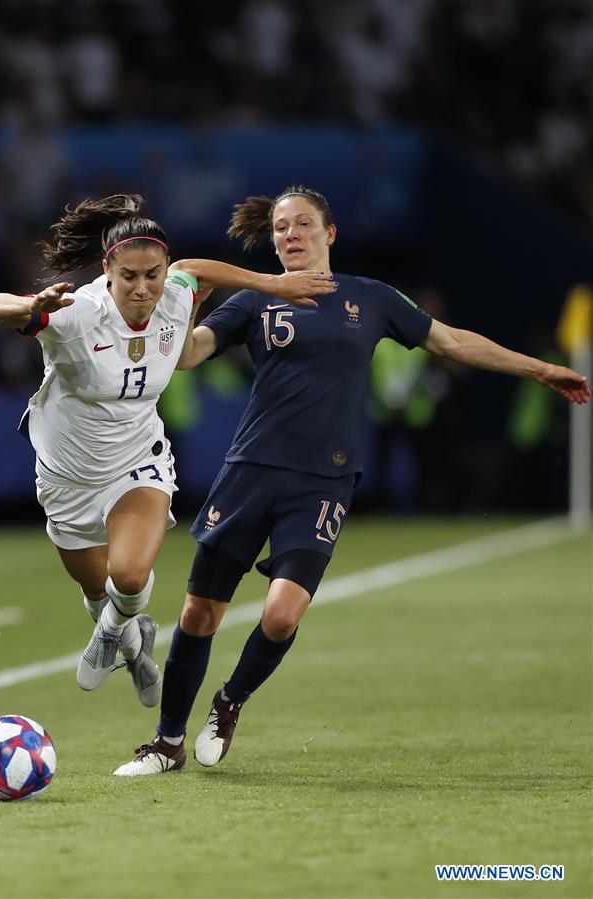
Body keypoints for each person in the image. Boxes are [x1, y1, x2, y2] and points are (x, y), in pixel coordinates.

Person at [114, 185, 591, 775]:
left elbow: (452, 341)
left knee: (283, 614)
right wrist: (186, 307)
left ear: (329, 234)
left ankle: (230, 700)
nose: (290, 235)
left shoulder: (372, 298)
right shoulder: (256, 301)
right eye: (281, 228)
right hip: (250, 473)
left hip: (323, 482)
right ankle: (166, 743)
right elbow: (185, 356)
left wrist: (539, 368)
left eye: (303, 224)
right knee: (198, 615)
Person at [0, 193, 336, 710]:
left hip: (139, 461)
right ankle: (130, 636)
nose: (142, 289)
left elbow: (194, 269)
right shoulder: (78, 313)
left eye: (153, 275)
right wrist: (31, 307)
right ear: (108, 271)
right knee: (96, 587)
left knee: (129, 576)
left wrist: (271, 283)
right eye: (129, 277)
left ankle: (111, 631)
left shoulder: (176, 295)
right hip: (66, 476)